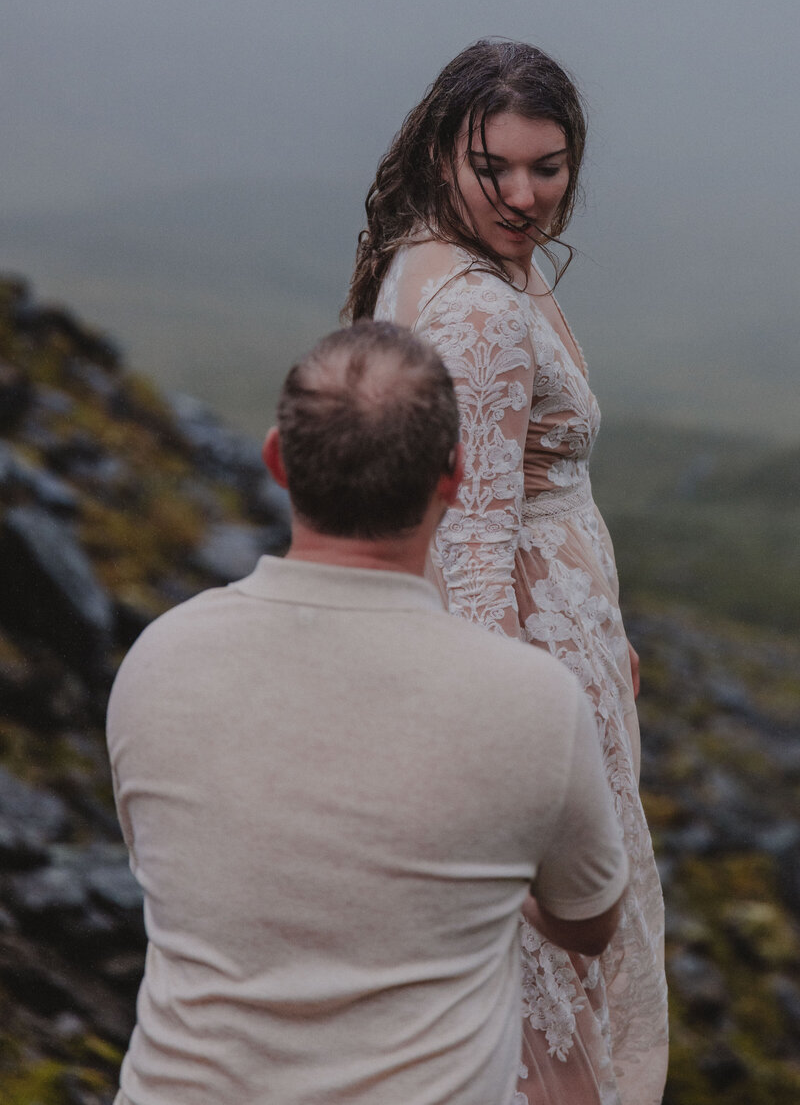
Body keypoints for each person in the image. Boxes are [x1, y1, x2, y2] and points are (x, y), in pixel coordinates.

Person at [107, 321, 628, 1105]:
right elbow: (589, 920)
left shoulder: (156, 659)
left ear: (278, 461)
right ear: (454, 473)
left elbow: (165, 862)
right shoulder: (533, 702)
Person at [344, 40, 669, 1104]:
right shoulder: (478, 305)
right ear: (444, 148)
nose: (524, 195)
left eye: (549, 164)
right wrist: (512, 742)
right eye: (496, 167)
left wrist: (604, 633)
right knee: (548, 993)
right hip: (526, 667)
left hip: (564, 647)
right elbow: (471, 535)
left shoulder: (433, 251)